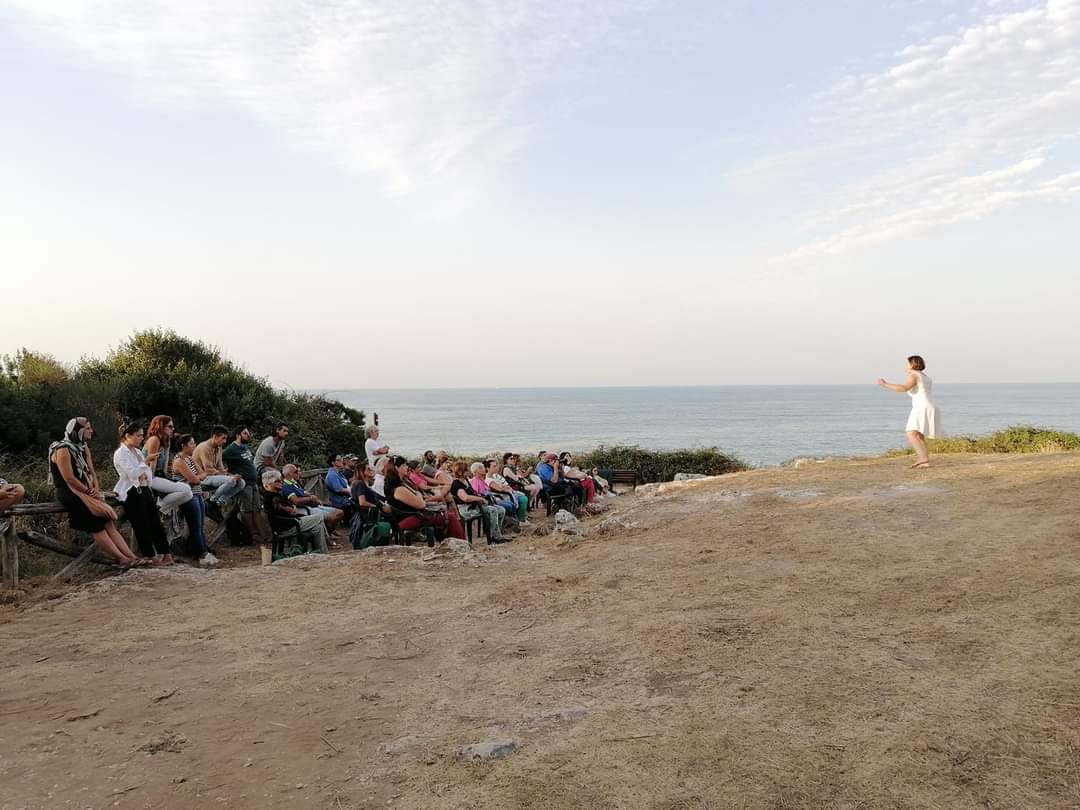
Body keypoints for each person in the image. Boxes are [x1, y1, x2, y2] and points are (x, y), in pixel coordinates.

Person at [48, 417, 142, 567]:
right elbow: (69, 478)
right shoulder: (62, 449)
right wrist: (88, 491)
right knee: (97, 526)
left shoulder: (83, 448)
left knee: (108, 523)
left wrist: (96, 490)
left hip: (87, 491)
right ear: (77, 431)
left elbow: (91, 471)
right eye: (87, 428)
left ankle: (132, 557)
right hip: (71, 493)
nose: (91, 431)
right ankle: (122, 559)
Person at [113, 422, 174, 565]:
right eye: (138, 435)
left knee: (155, 523)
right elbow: (132, 473)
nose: (141, 438)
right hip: (131, 492)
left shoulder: (138, 452)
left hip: (145, 489)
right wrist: (144, 463)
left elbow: (146, 473)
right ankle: (151, 556)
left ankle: (166, 554)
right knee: (141, 525)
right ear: (128, 436)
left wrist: (143, 472)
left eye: (142, 435)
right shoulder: (120, 453)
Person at [877, 354, 942, 469]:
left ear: (912, 364)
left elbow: (904, 388)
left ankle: (922, 458)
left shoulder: (914, 375)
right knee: (918, 435)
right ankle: (925, 461)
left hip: (922, 406)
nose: (906, 366)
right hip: (930, 405)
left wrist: (885, 384)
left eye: (907, 364)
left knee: (910, 433)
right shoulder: (925, 376)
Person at [170, 434, 220, 566]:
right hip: (188, 496)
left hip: (197, 493)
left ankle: (202, 551)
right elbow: (195, 479)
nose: (194, 446)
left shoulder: (190, 459)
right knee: (195, 526)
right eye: (192, 444)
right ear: (183, 446)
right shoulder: (179, 461)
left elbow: (203, 474)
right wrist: (197, 478)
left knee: (200, 525)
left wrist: (197, 478)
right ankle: (201, 554)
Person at [222, 426, 273, 548]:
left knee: (257, 509)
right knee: (246, 510)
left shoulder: (245, 447)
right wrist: (228, 474)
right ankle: (253, 535)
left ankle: (262, 535)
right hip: (243, 484)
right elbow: (220, 459)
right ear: (238, 435)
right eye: (245, 433)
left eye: (248, 433)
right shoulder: (231, 449)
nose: (248, 435)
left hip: (253, 482)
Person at [261, 469, 329, 553]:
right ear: (268, 484)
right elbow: (281, 514)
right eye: (277, 481)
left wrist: (293, 512)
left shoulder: (277, 495)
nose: (281, 482)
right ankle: (326, 544)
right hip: (288, 526)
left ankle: (322, 552)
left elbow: (291, 510)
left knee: (317, 527)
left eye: (280, 480)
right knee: (319, 517)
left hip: (291, 522)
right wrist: (293, 514)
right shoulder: (271, 498)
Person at [384, 456, 450, 540]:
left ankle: (450, 543)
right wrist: (418, 494)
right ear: (396, 468)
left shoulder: (400, 484)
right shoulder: (399, 489)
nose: (407, 467)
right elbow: (421, 504)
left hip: (411, 514)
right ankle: (458, 545)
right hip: (411, 516)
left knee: (446, 514)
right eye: (404, 465)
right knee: (450, 517)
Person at [142, 415, 193, 514]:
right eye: (170, 426)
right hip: (148, 477)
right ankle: (158, 506)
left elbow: (164, 467)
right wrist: (148, 488)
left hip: (159, 475)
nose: (173, 429)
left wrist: (168, 481)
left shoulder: (167, 441)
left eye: (173, 427)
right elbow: (152, 465)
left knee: (189, 494)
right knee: (186, 490)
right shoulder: (154, 439)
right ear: (160, 426)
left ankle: (160, 510)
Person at [450, 461, 508, 543]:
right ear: (460, 472)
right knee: (493, 510)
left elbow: (473, 493)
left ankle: (496, 533)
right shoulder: (456, 484)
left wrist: (481, 496)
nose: (468, 471)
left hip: (475, 505)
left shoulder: (465, 481)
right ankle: (495, 537)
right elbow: (465, 498)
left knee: (501, 510)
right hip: (466, 509)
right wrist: (480, 499)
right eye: (466, 469)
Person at [193, 425, 245, 507]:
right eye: (223, 438)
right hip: (202, 477)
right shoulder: (204, 447)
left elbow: (220, 467)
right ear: (215, 437)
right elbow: (208, 470)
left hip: (212, 476)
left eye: (226, 439)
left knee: (241, 483)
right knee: (231, 480)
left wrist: (229, 475)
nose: (225, 441)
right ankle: (212, 501)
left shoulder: (219, 448)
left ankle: (220, 501)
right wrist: (228, 476)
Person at [281, 463, 344, 530]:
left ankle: (328, 532)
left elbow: (305, 493)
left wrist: (314, 498)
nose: (299, 473)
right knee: (336, 514)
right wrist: (310, 498)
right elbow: (296, 501)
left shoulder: (295, 483)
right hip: (303, 509)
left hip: (311, 506)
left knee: (339, 512)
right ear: (289, 474)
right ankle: (327, 533)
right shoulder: (286, 486)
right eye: (296, 472)